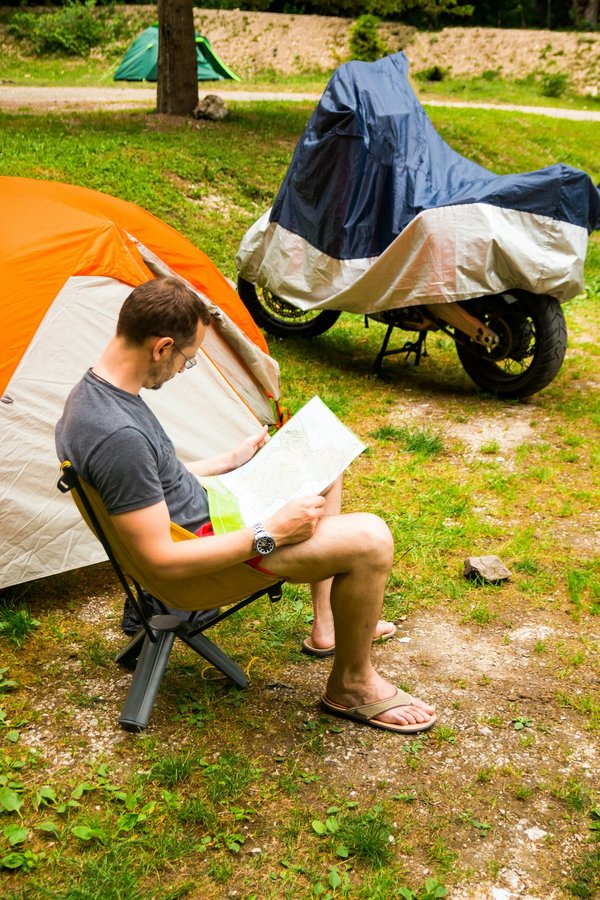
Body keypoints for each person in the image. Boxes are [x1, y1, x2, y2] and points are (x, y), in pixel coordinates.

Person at [56, 277, 436, 734]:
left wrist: (231, 461)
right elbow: (163, 560)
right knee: (371, 538)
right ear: (161, 347)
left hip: (212, 515)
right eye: (186, 359)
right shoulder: (118, 436)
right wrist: (271, 531)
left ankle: (328, 625)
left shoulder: (95, 394)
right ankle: (351, 685)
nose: (181, 370)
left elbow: (151, 484)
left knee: (323, 459)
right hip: (202, 561)